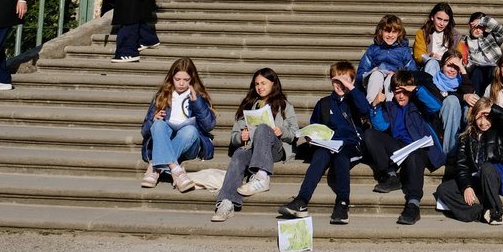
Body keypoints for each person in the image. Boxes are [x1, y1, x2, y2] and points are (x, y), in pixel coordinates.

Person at [280, 61, 372, 225]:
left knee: (341, 157)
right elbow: (315, 124)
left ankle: (342, 203)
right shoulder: (324, 103)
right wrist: (310, 137)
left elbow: (366, 110)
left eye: (344, 81)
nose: (340, 85)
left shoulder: (355, 100)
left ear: (351, 82)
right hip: (328, 144)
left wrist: (351, 88)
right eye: (336, 81)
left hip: (351, 144)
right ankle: (301, 200)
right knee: (320, 156)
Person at [212, 68, 300, 221]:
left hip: (275, 149)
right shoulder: (248, 105)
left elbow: (295, 133)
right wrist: (241, 136)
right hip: (252, 148)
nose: (260, 87)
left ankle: (262, 176)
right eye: (257, 84)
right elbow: (233, 137)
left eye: (264, 83)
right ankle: (227, 202)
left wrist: (282, 131)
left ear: (273, 83)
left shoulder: (285, 105)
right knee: (239, 153)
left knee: (263, 128)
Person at [361, 69, 446, 225]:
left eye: (404, 92)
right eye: (397, 92)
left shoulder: (419, 104)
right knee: (370, 134)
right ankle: (391, 175)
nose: (401, 96)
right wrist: (375, 106)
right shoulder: (390, 106)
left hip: (421, 147)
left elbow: (435, 106)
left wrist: (416, 89)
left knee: (414, 155)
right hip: (400, 148)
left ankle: (413, 205)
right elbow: (381, 126)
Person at [434, 98, 503, 224]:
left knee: (487, 168)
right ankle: (482, 213)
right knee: (444, 189)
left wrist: (493, 109)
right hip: (476, 177)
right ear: (473, 117)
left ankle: (495, 212)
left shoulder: (500, 130)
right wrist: (467, 186)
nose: (483, 122)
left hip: (496, 176)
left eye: (487, 117)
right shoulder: (466, 136)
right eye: (479, 117)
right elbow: (461, 165)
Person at [139, 57, 216, 192]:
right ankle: (175, 169)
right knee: (158, 126)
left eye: (186, 80)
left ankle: (155, 168)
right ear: (171, 78)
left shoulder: (198, 96)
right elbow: (144, 132)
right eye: (177, 79)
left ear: (192, 79)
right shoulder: (161, 96)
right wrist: (153, 120)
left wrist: (197, 102)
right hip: (166, 140)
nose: (181, 83)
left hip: (189, 144)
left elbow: (209, 126)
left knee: (190, 130)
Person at [416, 49, 476, 155]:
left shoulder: (461, 80)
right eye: (449, 65)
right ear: (442, 65)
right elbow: (439, 97)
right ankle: (450, 153)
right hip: (438, 121)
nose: (452, 70)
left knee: (474, 98)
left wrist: (462, 69)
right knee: (452, 101)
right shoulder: (434, 80)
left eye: (456, 67)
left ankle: (471, 148)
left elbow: (470, 93)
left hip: (459, 122)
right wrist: (462, 97)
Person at [355, 14, 416, 104]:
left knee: (390, 78)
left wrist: (398, 75)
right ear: (381, 32)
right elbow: (361, 73)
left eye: (394, 32)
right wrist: (371, 71)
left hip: (394, 81)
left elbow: (413, 72)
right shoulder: (373, 49)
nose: (390, 35)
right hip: (376, 79)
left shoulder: (404, 50)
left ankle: (391, 108)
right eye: (387, 31)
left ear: (399, 33)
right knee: (376, 75)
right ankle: (372, 107)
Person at [411, 2, 464, 76]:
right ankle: (431, 87)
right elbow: (418, 56)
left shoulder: (455, 35)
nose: (442, 23)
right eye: (439, 19)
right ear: (432, 17)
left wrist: (448, 59)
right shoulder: (423, 33)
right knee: (432, 63)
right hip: (429, 66)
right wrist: (430, 55)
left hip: (448, 68)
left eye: (446, 20)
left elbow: (460, 56)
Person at [464, 11, 503, 94]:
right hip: (476, 71)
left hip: (492, 68)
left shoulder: (491, 37)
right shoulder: (465, 42)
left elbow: (502, 31)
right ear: (470, 25)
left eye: (481, 27)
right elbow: (465, 62)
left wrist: (484, 20)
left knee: (493, 70)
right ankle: (476, 101)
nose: (478, 30)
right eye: (476, 26)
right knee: (477, 72)